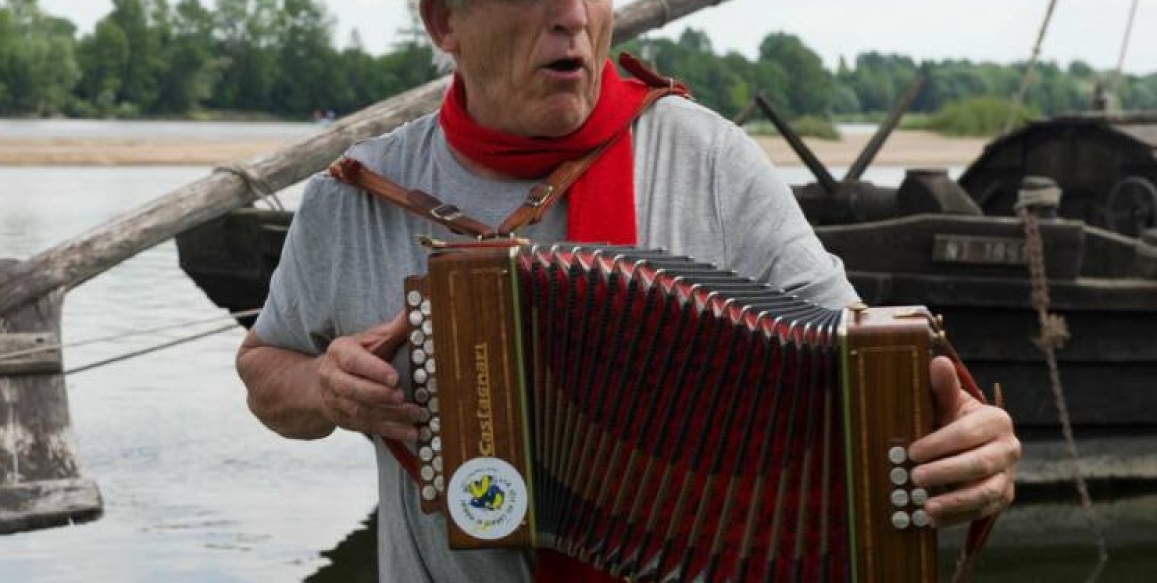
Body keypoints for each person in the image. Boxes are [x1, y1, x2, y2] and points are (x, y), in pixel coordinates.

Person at [236, 0, 1020, 580]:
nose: (573, 18)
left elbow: (872, 370)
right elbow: (264, 367)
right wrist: (324, 388)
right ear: (446, 22)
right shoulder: (358, 196)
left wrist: (976, 435)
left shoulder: (711, 162)